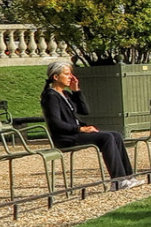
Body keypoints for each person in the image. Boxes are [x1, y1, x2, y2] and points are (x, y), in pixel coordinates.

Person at [40, 60, 138, 190]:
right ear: (56, 77)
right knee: (106, 138)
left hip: (75, 133)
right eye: (67, 74)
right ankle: (118, 181)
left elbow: (85, 111)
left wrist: (76, 91)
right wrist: (80, 128)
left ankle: (128, 177)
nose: (71, 77)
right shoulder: (51, 96)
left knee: (116, 135)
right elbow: (56, 123)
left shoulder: (65, 94)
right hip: (65, 137)